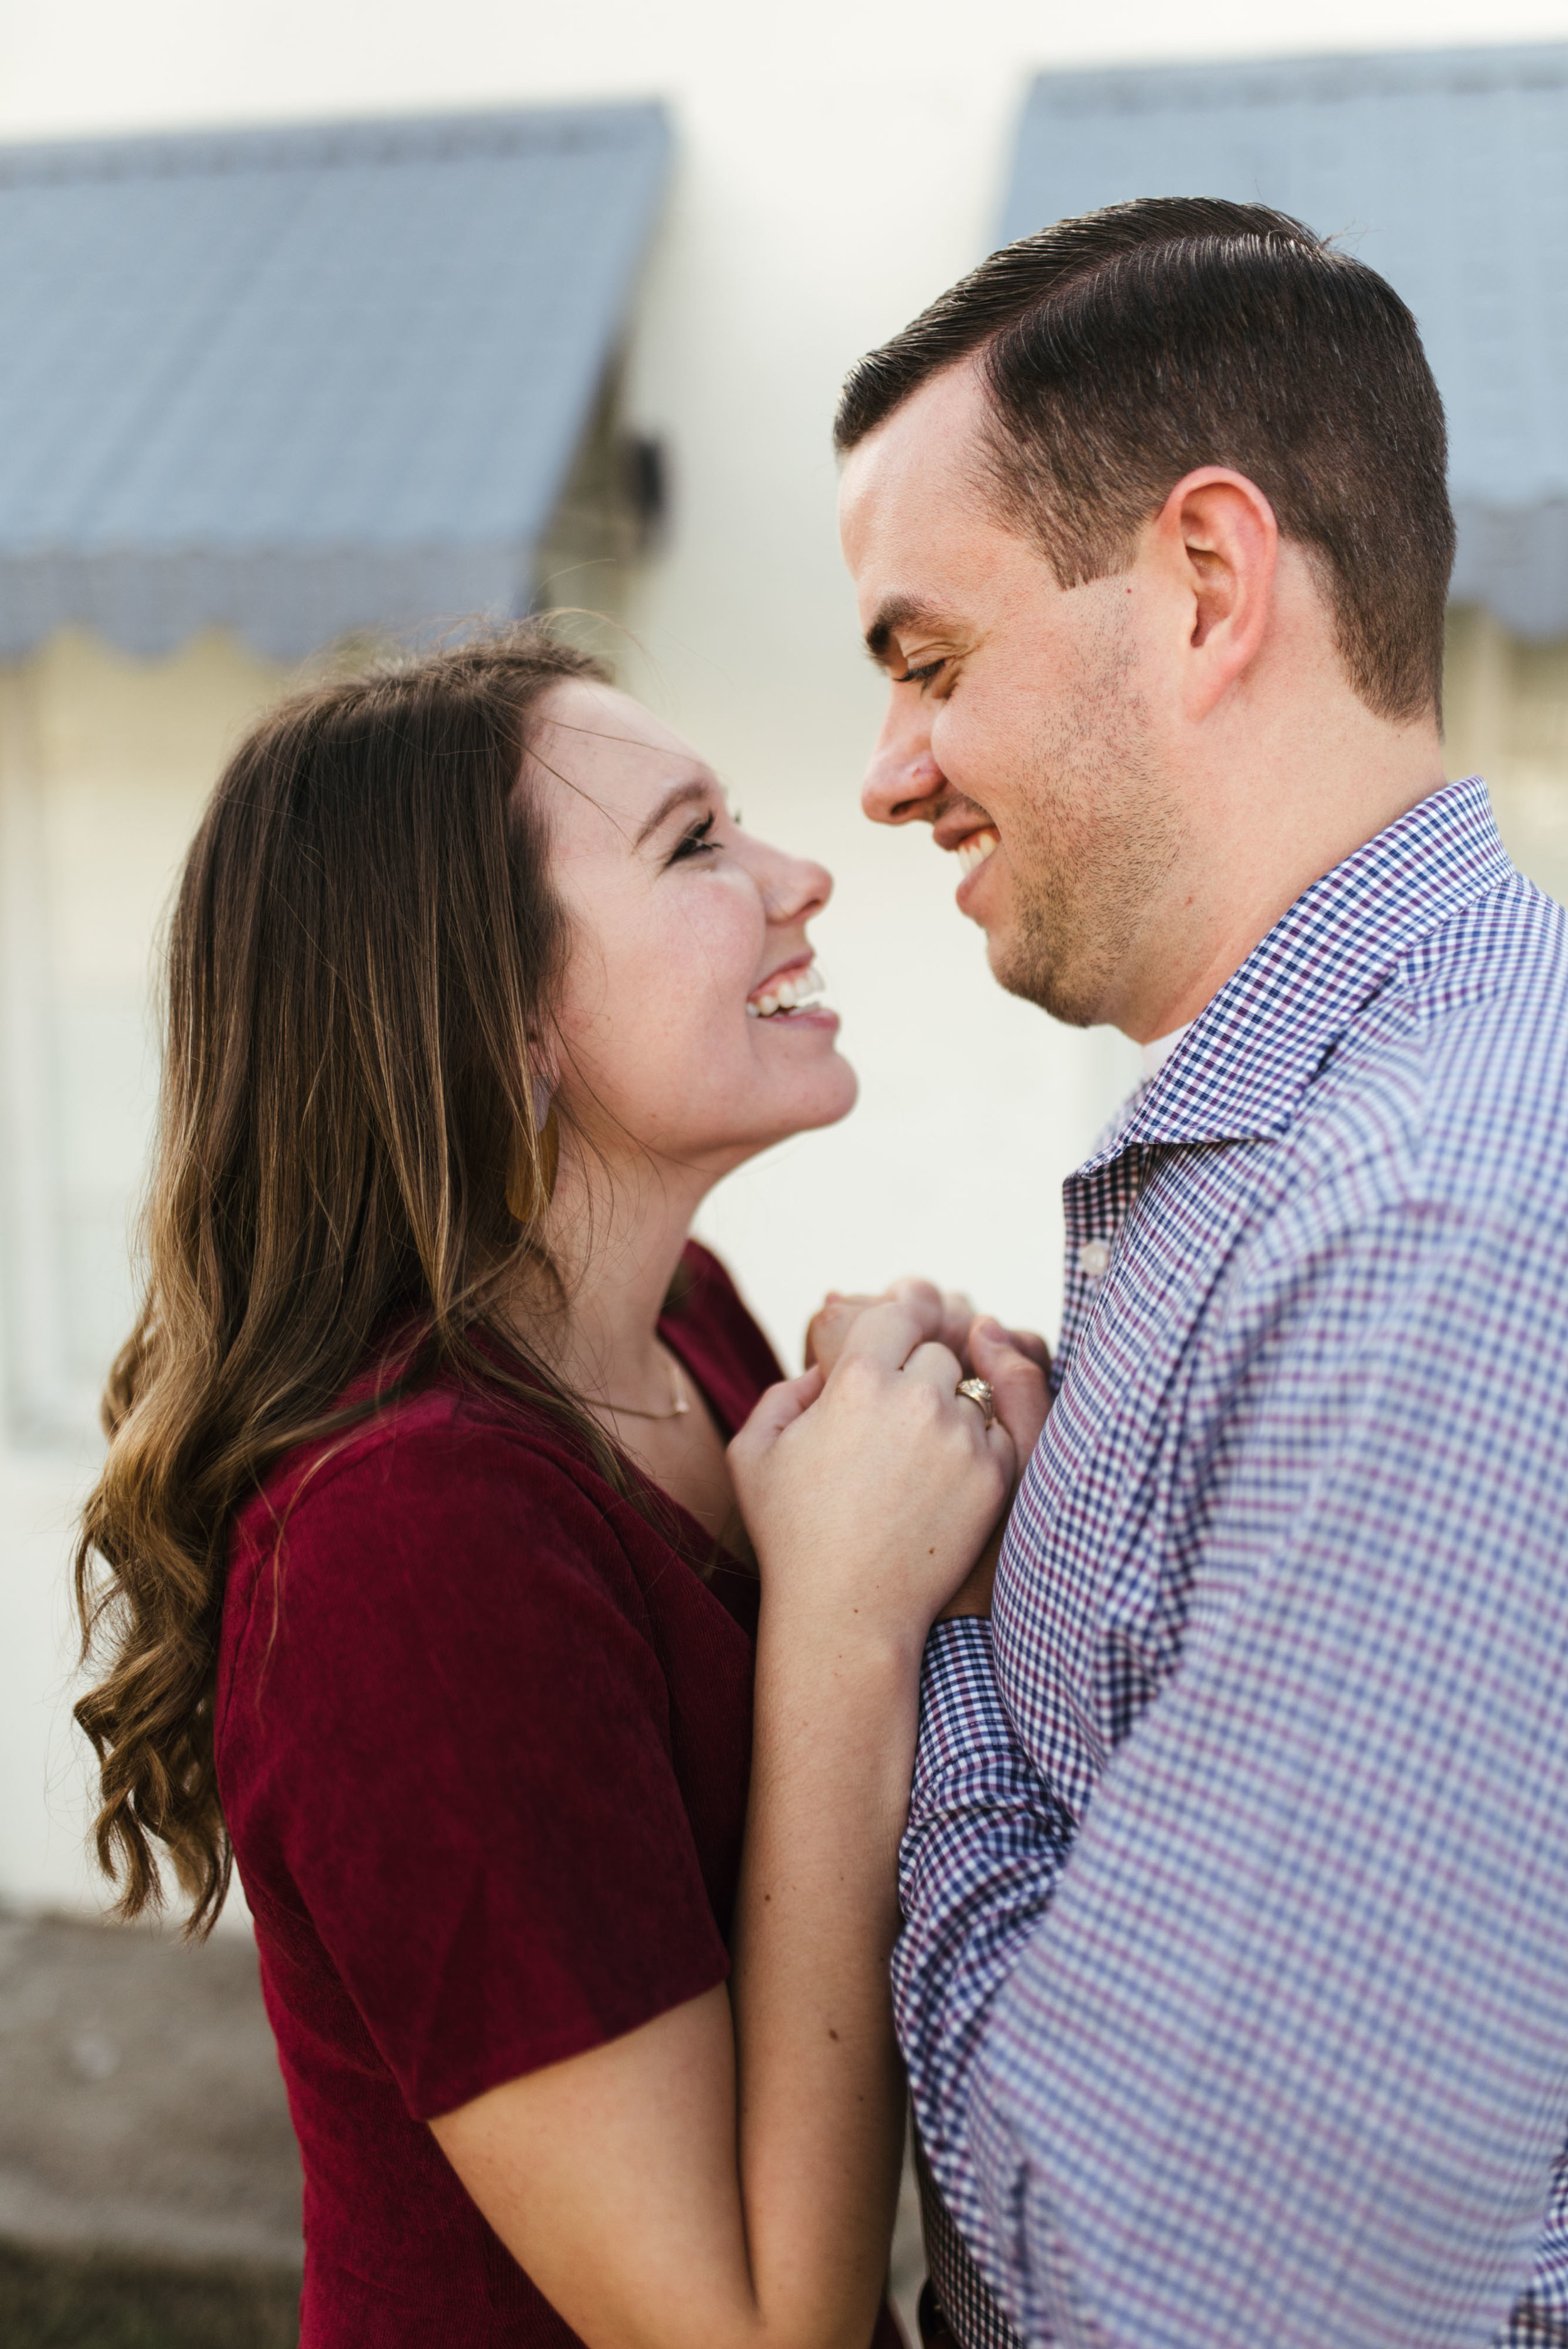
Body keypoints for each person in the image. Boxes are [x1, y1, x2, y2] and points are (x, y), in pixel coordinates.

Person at [764, 197, 1568, 2345]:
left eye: (929, 662)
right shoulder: (1309, 1151)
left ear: (1205, 585)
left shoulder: (1437, 1236)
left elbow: (1168, 2291)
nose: (887, 771)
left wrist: (913, 1624)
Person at [71, 628, 1045, 2349]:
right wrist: (843, 1610)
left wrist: (945, 1504)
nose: (801, 874)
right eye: (695, 845)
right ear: (500, 1014)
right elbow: (749, 2334)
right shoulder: (403, 1548)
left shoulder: (686, 1322)